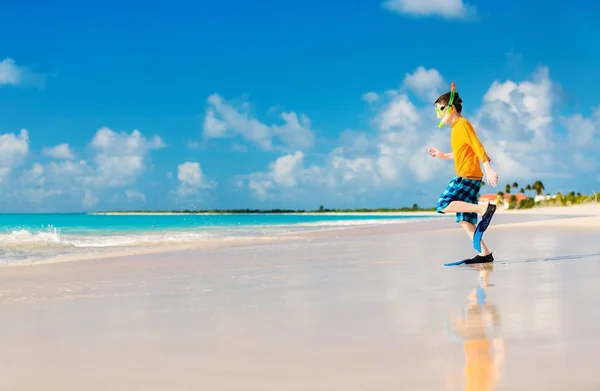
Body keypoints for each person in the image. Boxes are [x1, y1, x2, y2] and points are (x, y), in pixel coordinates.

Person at [428, 84, 499, 264]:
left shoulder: (462, 125)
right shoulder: (456, 129)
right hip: (472, 176)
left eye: (439, 111)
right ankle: (485, 254)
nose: (438, 116)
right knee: (464, 219)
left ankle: (484, 209)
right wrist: (444, 155)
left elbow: (477, 146)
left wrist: (488, 168)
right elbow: (463, 152)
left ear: (450, 108)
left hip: (466, 175)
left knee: (442, 204)